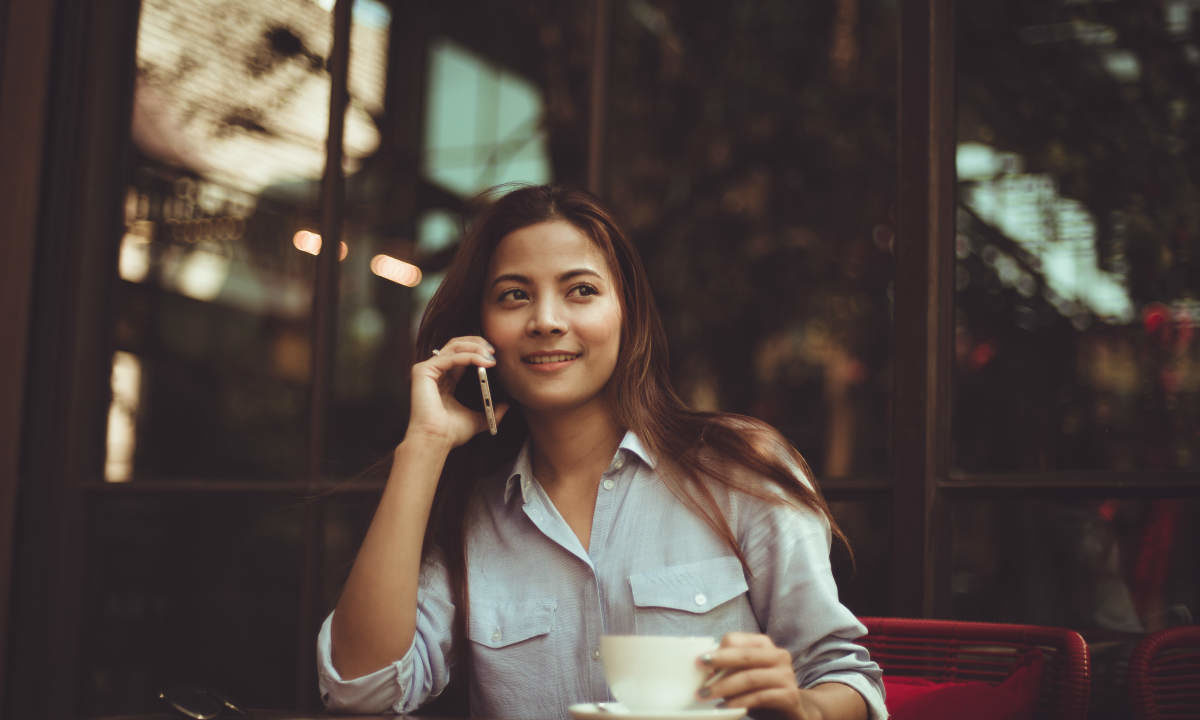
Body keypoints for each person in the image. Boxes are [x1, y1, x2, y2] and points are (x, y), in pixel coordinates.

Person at [317, 185, 886, 720]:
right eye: (515, 295)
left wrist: (804, 707)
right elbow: (360, 688)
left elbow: (844, 674)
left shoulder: (737, 470)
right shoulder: (471, 515)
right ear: (483, 330)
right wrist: (423, 445)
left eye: (581, 290)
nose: (546, 320)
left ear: (626, 314)